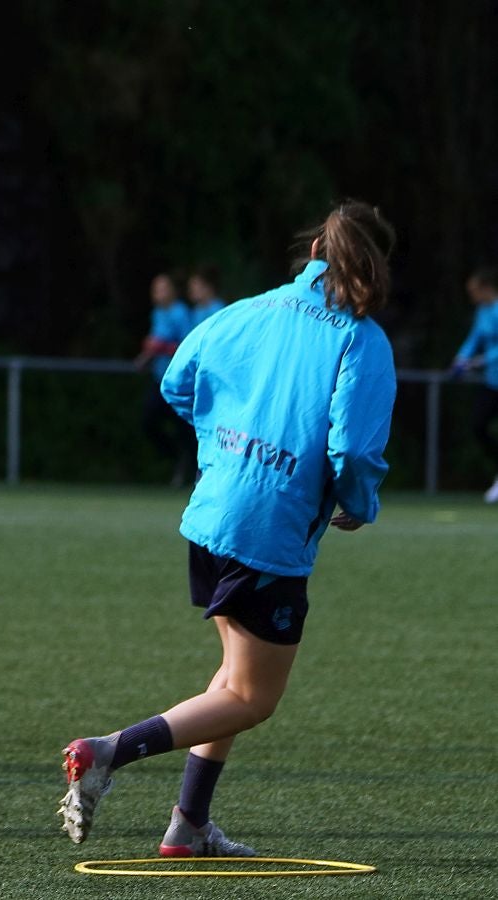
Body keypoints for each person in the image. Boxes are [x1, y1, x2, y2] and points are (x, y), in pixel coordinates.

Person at [58, 201, 396, 856]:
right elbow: (353, 450)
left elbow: (178, 378)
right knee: (252, 697)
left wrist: (226, 450)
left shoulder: (252, 308)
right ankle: (107, 752)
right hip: (268, 529)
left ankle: (189, 823)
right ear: (379, 261)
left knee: (233, 677)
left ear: (317, 250)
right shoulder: (361, 338)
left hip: (212, 514)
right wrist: (359, 503)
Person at [134, 273, 197, 485]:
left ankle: (188, 468)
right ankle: (179, 458)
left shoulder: (180, 313)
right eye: (156, 289)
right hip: (160, 379)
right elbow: (156, 342)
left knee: (185, 428)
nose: (158, 294)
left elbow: (187, 346)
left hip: (179, 381)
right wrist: (147, 356)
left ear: (172, 291)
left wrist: (162, 348)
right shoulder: (158, 314)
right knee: (149, 420)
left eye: (163, 288)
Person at [448, 266, 498, 501]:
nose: (472, 296)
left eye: (474, 291)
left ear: (486, 288)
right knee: (479, 426)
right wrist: (462, 357)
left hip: (490, 372)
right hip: (492, 382)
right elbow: (474, 338)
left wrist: (480, 361)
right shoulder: (482, 312)